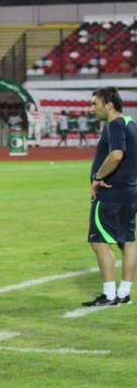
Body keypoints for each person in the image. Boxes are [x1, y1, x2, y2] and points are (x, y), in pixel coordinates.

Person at [83, 87, 137, 307]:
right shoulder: (130, 123)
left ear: (109, 105)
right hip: (130, 192)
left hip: (112, 194)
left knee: (99, 242)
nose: (92, 108)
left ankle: (109, 295)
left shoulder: (114, 125)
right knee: (129, 242)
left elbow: (116, 155)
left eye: (95, 103)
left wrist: (98, 177)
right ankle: (124, 292)